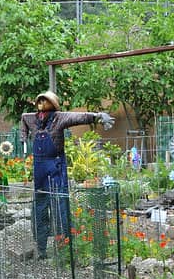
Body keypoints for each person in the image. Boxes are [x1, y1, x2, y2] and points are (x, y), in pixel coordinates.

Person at [19, 91, 113, 258]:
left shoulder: (59, 118)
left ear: (52, 104)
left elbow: (78, 117)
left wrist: (97, 116)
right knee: (39, 206)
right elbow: (23, 120)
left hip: (55, 165)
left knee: (60, 204)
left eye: (45, 101)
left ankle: (64, 248)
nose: (41, 104)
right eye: (39, 101)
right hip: (39, 168)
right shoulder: (31, 118)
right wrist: (23, 137)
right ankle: (41, 248)